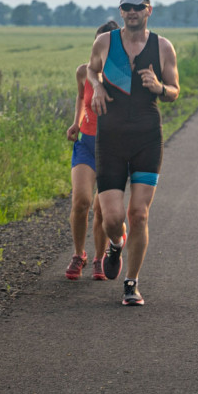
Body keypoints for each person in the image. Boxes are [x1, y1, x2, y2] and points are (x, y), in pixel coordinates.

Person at [87, 0, 180, 306]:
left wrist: (159, 86)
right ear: (121, 11)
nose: (131, 12)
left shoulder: (163, 47)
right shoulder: (105, 42)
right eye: (126, 7)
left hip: (147, 138)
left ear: (149, 10)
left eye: (137, 7)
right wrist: (97, 86)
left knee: (138, 214)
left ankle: (132, 282)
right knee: (112, 218)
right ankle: (116, 246)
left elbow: (174, 91)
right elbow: (90, 68)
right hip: (110, 140)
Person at [64, 20, 118, 280]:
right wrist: (76, 121)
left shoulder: (121, 76)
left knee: (103, 210)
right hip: (86, 142)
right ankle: (78, 254)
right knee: (81, 200)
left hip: (112, 147)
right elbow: (79, 96)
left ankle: (99, 257)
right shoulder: (83, 72)